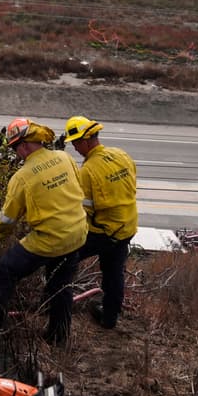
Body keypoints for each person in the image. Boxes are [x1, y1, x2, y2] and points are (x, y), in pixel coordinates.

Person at [0, 117, 88, 346]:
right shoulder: (64, 157)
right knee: (61, 286)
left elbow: (8, 219)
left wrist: (2, 230)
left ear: (24, 145)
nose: (16, 153)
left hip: (50, 239)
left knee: (3, 273)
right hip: (77, 233)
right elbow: (75, 188)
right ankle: (59, 337)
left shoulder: (22, 177)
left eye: (15, 148)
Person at [64, 115, 138, 330]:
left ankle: (55, 305)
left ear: (87, 140)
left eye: (76, 143)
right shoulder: (120, 155)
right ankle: (109, 318)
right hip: (126, 228)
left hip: (103, 232)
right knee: (114, 273)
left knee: (65, 260)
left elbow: (82, 210)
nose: (75, 148)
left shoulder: (87, 171)